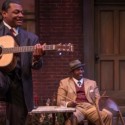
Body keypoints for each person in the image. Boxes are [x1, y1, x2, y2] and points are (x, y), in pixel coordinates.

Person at [0, 0, 45, 125]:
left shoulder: (31, 38)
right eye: (16, 12)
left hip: (18, 85)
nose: (21, 15)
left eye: (22, 12)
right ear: (4, 13)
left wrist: (36, 58)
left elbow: (38, 65)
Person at [57, 59, 113, 125]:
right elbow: (59, 101)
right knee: (72, 119)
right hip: (76, 108)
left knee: (108, 115)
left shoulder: (92, 83)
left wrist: (100, 100)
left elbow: (97, 98)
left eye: (81, 69)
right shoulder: (64, 83)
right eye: (78, 70)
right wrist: (69, 104)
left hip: (90, 108)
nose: (81, 72)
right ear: (72, 72)